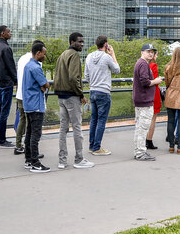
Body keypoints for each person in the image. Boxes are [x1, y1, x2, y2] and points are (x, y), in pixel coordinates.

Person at [53, 32, 93, 170]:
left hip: (61, 96)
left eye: (83, 42)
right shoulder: (74, 55)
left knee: (63, 129)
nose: (82, 44)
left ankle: (62, 161)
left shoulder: (62, 55)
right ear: (72, 42)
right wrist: (81, 94)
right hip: (71, 96)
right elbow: (73, 78)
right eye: (79, 42)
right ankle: (79, 159)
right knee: (77, 127)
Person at [84, 36, 120, 155]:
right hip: (103, 92)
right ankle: (97, 148)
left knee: (94, 120)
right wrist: (113, 54)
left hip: (92, 91)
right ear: (106, 45)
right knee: (101, 121)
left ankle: (91, 145)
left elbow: (86, 76)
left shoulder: (89, 56)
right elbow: (117, 70)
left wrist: (93, 84)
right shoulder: (106, 57)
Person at [23, 41, 51, 172]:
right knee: (35, 134)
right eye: (44, 54)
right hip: (36, 104)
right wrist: (44, 86)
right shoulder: (36, 67)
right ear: (38, 53)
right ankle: (35, 162)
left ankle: (28, 159)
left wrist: (42, 86)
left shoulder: (27, 65)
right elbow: (46, 84)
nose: (45, 56)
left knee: (29, 132)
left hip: (28, 103)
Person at [133, 44, 162, 160]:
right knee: (143, 128)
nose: (150, 53)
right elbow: (145, 82)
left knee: (139, 127)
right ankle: (140, 153)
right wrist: (156, 81)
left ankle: (138, 151)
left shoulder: (139, 63)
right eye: (148, 51)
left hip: (139, 99)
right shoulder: (143, 64)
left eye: (152, 51)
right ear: (142, 52)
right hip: (144, 100)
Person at [0, 25, 17, 149]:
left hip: (0, 83)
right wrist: (16, 81)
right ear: (2, 34)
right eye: (8, 32)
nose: (10, 33)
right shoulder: (6, 48)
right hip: (7, 84)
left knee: (0, 111)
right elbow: (11, 67)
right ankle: (1, 140)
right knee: (4, 113)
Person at [14, 45, 34, 155]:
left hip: (20, 94)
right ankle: (29, 148)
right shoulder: (34, 60)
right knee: (31, 121)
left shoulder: (22, 58)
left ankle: (18, 145)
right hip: (29, 95)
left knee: (22, 119)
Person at [146, 51, 162, 150]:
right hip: (154, 94)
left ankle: (145, 139)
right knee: (153, 119)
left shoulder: (144, 65)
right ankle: (149, 140)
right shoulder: (153, 65)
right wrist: (159, 79)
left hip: (146, 94)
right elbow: (154, 80)